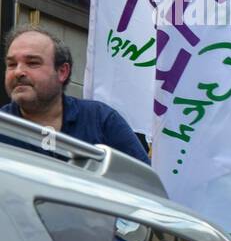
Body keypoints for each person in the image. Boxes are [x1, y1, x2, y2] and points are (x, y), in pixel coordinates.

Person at [1, 27, 149, 162]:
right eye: (12, 64)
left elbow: (146, 185)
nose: (18, 72)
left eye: (32, 63)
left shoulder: (100, 120)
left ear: (62, 72)